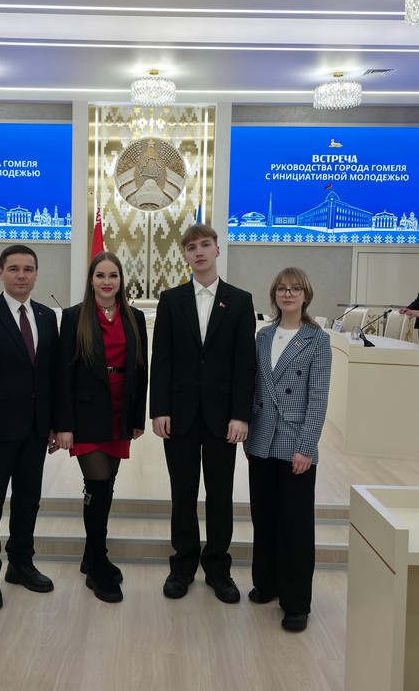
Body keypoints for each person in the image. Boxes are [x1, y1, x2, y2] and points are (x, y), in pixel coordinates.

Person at [150, 223, 256, 603]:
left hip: (223, 417)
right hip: (178, 414)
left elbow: (245, 363)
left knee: (220, 494)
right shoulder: (170, 299)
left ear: (216, 250)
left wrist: (241, 415)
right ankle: (182, 566)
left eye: (205, 245)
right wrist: (159, 409)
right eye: (192, 247)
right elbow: (161, 358)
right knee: (182, 492)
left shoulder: (239, 300)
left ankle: (218, 569)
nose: (199, 252)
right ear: (185, 255)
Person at [0, 244, 59, 611]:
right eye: (14, 268)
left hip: (35, 429)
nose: (22, 275)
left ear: (36, 275)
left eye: (28, 269)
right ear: (0, 272)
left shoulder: (46, 317)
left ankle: (20, 563)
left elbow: (50, 376)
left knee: (28, 500)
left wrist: (54, 424)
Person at [55, 252, 148, 603]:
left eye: (113, 275)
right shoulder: (74, 317)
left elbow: (142, 369)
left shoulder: (135, 317)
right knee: (97, 482)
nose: (107, 282)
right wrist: (63, 425)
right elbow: (63, 374)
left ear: (121, 280)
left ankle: (91, 554)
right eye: (100, 275)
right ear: (91, 280)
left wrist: (137, 417)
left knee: (106, 484)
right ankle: (98, 564)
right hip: (86, 413)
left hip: (120, 410)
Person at [245, 267, 332, 633]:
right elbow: (253, 385)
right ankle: (267, 583)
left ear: (305, 295)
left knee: (295, 525)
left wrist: (306, 446)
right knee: (264, 518)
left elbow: (318, 397)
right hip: (261, 439)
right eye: (281, 288)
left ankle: (296, 603)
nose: (288, 294)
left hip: (295, 441)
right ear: (274, 295)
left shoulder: (317, 339)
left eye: (295, 288)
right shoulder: (263, 335)